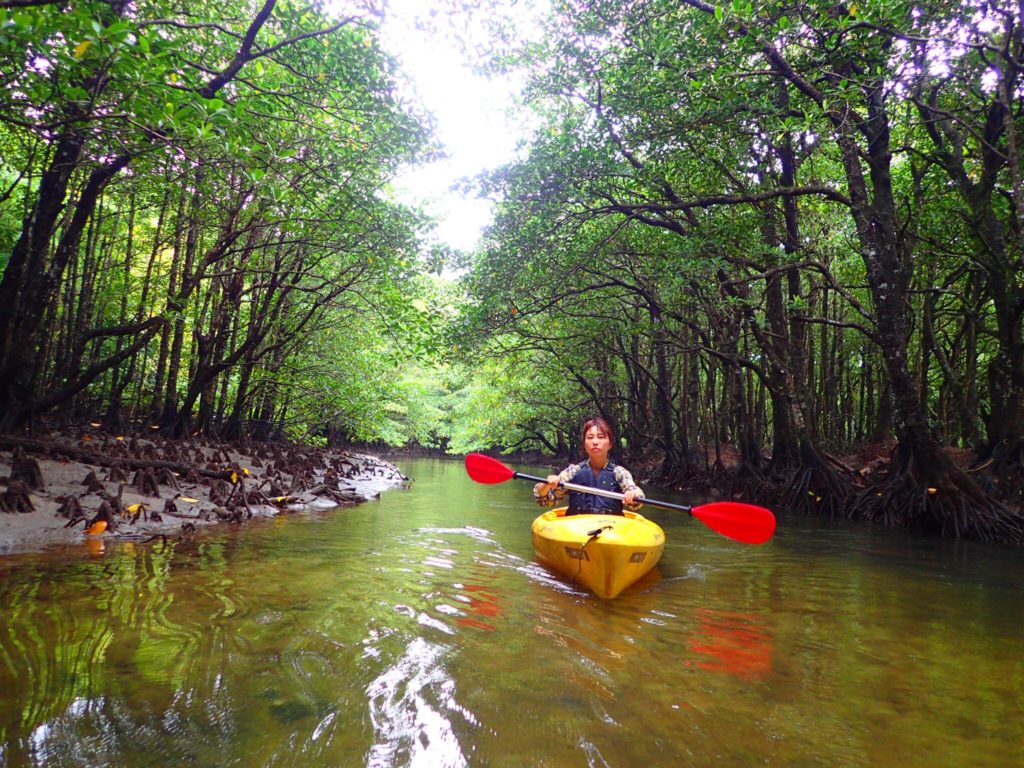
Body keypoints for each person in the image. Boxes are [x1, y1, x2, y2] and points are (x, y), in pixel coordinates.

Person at [533, 417, 644, 515]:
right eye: (590, 437)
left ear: (609, 444)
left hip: (610, 530)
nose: (595, 442)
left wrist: (633, 495)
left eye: (600, 437)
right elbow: (545, 500)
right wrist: (546, 485)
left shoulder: (619, 473)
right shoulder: (573, 472)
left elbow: (637, 499)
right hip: (578, 529)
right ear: (584, 444)